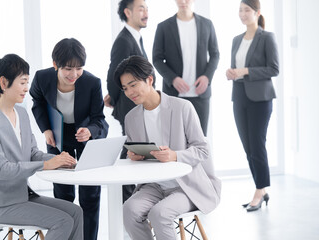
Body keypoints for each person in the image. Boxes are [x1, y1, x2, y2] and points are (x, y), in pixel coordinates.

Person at [0, 54, 83, 240]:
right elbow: (2, 170)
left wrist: (59, 160)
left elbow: (32, 153)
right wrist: (46, 165)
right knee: (63, 221)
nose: (27, 88)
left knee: (76, 212)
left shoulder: (21, 113)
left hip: (22, 195)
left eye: (28, 82)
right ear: (4, 83)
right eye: (23, 82)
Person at [114, 56, 221, 240]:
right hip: (154, 185)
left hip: (186, 186)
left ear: (149, 79)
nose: (129, 92)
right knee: (129, 210)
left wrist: (174, 156)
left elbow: (202, 150)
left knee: (160, 214)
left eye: (133, 85)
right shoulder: (131, 118)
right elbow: (141, 152)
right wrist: (135, 156)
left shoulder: (182, 108)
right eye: (125, 88)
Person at [30, 38, 108, 240]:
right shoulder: (41, 78)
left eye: (79, 68)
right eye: (68, 69)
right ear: (55, 64)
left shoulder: (92, 83)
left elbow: (99, 119)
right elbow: (37, 102)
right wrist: (46, 129)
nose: (74, 75)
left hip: (84, 135)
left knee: (90, 195)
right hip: (57, 133)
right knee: (63, 194)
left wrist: (89, 131)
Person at [226, 0, 279, 212]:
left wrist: (246, 70)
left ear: (257, 13)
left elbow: (274, 69)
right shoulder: (236, 39)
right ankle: (262, 190)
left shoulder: (267, 37)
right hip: (239, 96)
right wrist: (231, 73)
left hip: (261, 99)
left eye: (246, 10)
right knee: (248, 148)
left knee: (257, 145)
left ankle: (259, 190)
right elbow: (236, 68)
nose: (242, 13)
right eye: (240, 10)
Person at [152, 0, 219, 136]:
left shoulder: (207, 24)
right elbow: (157, 59)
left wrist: (207, 77)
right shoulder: (163, 27)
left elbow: (215, 54)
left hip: (200, 95)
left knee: (200, 140)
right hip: (174, 94)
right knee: (175, 140)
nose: (183, 1)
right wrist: (173, 79)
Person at [104, 0, 149, 202]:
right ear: (127, 12)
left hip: (134, 104)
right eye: (141, 8)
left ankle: (130, 194)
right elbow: (115, 72)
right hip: (129, 106)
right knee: (131, 148)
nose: (146, 12)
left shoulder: (135, 38)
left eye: (146, 8)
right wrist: (114, 96)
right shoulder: (124, 40)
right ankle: (125, 195)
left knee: (133, 147)